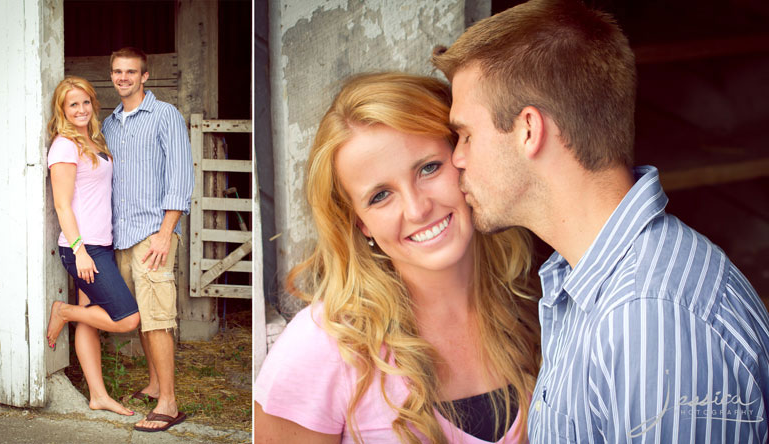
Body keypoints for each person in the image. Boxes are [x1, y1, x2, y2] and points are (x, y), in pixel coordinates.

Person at [432, 0, 769, 442]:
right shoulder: (588, 279)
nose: (456, 158)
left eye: (466, 135)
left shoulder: (650, 321)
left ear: (529, 130)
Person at [254, 72, 541, 444]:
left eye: (428, 168)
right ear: (361, 223)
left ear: (465, 157)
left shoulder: (534, 306)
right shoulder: (320, 347)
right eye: (380, 196)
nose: (417, 208)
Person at [102, 47, 193, 433]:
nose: (123, 77)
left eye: (131, 72)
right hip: (120, 234)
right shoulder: (108, 124)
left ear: (145, 76)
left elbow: (180, 176)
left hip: (153, 234)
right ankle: (155, 383)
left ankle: (169, 403)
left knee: (157, 318)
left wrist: (165, 232)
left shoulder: (165, 115)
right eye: (117, 71)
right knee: (141, 315)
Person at [46, 75, 141, 416]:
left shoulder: (94, 140)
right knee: (128, 318)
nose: (81, 109)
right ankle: (64, 311)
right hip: (83, 249)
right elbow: (62, 204)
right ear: (62, 109)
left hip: (99, 243)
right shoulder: (64, 146)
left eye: (85, 102)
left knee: (90, 320)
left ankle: (98, 395)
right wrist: (80, 250)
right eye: (73, 104)